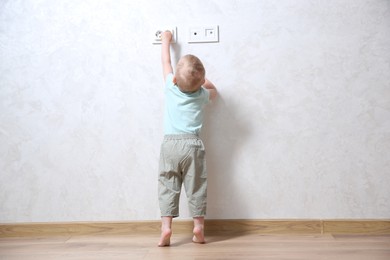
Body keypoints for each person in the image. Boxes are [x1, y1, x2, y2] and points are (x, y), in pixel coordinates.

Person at [158, 31, 217, 247]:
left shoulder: (170, 87)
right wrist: (202, 81)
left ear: (174, 79)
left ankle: (166, 228)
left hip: (170, 145)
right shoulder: (202, 95)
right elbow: (214, 91)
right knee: (196, 186)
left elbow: (166, 61)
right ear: (200, 82)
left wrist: (166, 41)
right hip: (193, 145)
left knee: (167, 185)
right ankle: (199, 227)